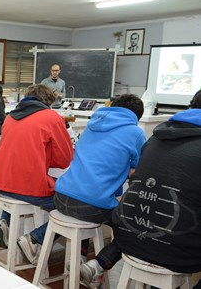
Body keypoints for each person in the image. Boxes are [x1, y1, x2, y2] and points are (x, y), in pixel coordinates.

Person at [79, 90, 201, 287]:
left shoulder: (156, 137)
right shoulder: (136, 133)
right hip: (174, 250)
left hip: (127, 235)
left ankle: (100, 262)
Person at [53, 94, 145, 277]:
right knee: (135, 228)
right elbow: (140, 169)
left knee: (87, 198)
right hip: (91, 207)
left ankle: (77, 258)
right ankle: (99, 264)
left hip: (60, 197)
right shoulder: (135, 133)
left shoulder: (92, 125)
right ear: (136, 116)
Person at [0, 84, 73, 265]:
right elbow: (65, 159)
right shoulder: (51, 117)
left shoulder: (10, 117)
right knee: (73, 207)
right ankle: (34, 238)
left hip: (1, 184)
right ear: (48, 102)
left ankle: (6, 220)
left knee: (17, 185)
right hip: (27, 188)